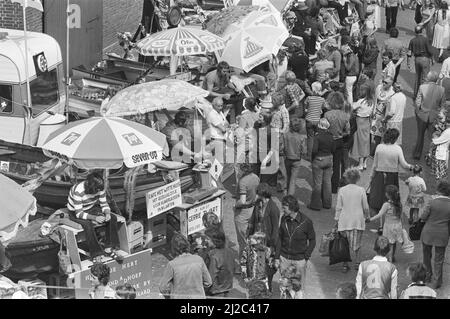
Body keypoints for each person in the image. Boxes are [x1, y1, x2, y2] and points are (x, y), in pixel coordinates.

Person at [67, 171, 121, 262]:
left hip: (90, 208)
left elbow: (104, 204)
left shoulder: (100, 188)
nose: (99, 192)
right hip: (75, 212)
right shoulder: (78, 191)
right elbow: (79, 214)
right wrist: (95, 218)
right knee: (88, 225)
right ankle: (96, 254)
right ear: (91, 187)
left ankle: (109, 248)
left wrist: (107, 213)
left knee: (112, 218)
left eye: (100, 189)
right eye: (97, 190)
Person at [275, 195, 316, 297]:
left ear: (292, 208)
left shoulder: (306, 222)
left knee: (299, 288)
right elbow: (280, 238)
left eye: (284, 207)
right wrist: (277, 257)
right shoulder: (284, 219)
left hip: (299, 260)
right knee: (284, 287)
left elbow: (312, 240)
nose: (282, 209)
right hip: (285, 258)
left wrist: (306, 256)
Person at [369, 128, 412, 217]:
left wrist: (371, 176)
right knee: (392, 196)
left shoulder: (379, 147)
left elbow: (374, 164)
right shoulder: (397, 149)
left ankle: (379, 215)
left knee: (379, 195)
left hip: (379, 174)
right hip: (392, 175)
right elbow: (404, 164)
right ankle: (390, 213)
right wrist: (411, 167)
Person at [334, 167, 370, 272]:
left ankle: (345, 264)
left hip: (344, 220)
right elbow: (365, 207)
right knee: (357, 243)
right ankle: (358, 263)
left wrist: (336, 220)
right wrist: (367, 217)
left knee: (344, 243)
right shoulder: (361, 190)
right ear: (357, 178)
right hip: (358, 220)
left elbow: (339, 207)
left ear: (347, 178)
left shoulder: (342, 190)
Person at [247, 183, 279, 291]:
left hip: (267, 242)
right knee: (257, 265)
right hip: (257, 240)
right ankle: (260, 287)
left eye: (259, 194)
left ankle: (267, 288)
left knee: (268, 267)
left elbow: (275, 229)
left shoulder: (273, 208)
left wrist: (271, 246)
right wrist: (250, 234)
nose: (257, 196)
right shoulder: (258, 204)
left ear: (263, 195)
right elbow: (253, 219)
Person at [159, 233, 212, 299]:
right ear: (187, 245)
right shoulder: (199, 260)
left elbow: (162, 288)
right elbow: (208, 282)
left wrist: (171, 295)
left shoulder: (172, 265)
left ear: (173, 248)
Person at [420, 180, 450, 289]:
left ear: (439, 190)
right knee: (439, 259)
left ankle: (427, 275)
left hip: (428, 232)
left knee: (426, 256)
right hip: (443, 234)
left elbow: (423, 217)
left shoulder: (431, 201)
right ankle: (437, 281)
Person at [413, 71, 446, 160]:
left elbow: (417, 102)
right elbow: (442, 105)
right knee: (433, 137)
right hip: (434, 117)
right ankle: (431, 155)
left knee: (420, 135)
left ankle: (417, 154)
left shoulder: (422, 87)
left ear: (429, 78)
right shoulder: (441, 89)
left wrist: (417, 112)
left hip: (422, 115)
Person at [368, 185, 404, 263]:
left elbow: (379, 214)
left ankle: (390, 261)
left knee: (389, 244)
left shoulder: (387, 205)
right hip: (398, 225)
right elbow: (401, 216)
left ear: (388, 194)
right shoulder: (399, 204)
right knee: (393, 242)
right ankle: (393, 256)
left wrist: (369, 220)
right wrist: (402, 227)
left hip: (389, 226)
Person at [324, 91, 350, 193]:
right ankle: (334, 187)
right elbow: (347, 131)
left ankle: (326, 185)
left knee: (327, 165)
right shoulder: (345, 115)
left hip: (329, 141)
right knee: (336, 165)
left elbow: (324, 129)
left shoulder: (327, 114)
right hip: (339, 141)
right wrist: (340, 134)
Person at [234, 162, 259, 260]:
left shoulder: (243, 181)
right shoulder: (256, 177)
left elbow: (242, 201)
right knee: (250, 236)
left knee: (242, 241)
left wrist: (235, 205)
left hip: (242, 212)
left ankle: (243, 263)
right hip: (252, 209)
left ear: (242, 169)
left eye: (238, 169)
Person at [309, 118, 335, 211]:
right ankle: (327, 203)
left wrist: (312, 159)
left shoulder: (317, 137)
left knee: (317, 183)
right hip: (329, 159)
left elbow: (314, 150)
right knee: (328, 182)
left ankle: (315, 204)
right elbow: (333, 149)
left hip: (319, 159)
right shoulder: (331, 136)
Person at [281, 117, 307, 196]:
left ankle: (285, 193)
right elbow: (304, 151)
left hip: (287, 158)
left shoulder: (285, 135)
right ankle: (290, 196)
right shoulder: (301, 137)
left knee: (287, 177)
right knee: (293, 180)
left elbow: (282, 147)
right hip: (297, 160)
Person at [352, 84, 375, 170]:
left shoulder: (360, 101)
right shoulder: (371, 101)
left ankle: (360, 164)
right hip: (367, 121)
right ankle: (364, 162)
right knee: (366, 142)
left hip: (360, 121)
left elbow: (352, 107)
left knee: (360, 142)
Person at [206, 228, 234, 298]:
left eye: (208, 239)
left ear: (215, 241)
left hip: (216, 290)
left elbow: (211, 276)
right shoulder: (230, 252)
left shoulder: (214, 256)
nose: (206, 241)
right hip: (227, 287)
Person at [371, 76, 395, 157]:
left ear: (391, 84)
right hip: (376, 115)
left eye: (386, 83)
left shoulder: (392, 92)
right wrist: (373, 110)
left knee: (381, 134)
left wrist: (386, 118)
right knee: (373, 132)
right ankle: (373, 149)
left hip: (384, 117)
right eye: (383, 81)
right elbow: (375, 99)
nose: (383, 83)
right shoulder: (379, 87)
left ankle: (377, 151)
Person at [407, 26, 433, 99]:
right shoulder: (425, 40)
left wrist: (408, 62)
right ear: (422, 31)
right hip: (425, 59)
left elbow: (409, 53)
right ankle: (422, 96)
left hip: (417, 59)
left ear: (415, 31)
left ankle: (415, 95)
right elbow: (430, 51)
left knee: (417, 77)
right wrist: (432, 59)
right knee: (425, 78)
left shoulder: (412, 40)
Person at [304, 82, 326, 159]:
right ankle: (317, 154)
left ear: (313, 90)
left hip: (309, 120)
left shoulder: (309, 98)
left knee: (310, 138)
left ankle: (309, 155)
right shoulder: (322, 99)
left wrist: (307, 109)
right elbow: (323, 107)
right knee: (317, 138)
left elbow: (306, 108)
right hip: (317, 120)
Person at [206, 97, 229, 164]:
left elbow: (227, 124)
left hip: (222, 140)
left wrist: (225, 126)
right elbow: (223, 129)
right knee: (219, 164)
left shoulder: (220, 112)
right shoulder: (212, 114)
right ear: (213, 105)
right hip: (217, 140)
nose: (220, 107)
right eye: (218, 106)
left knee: (221, 163)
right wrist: (225, 127)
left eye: (221, 105)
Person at [430, 115, 450, 180]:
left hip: (441, 156)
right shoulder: (446, 130)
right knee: (440, 175)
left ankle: (441, 187)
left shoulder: (447, 132)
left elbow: (436, 141)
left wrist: (435, 137)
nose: (445, 123)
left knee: (441, 176)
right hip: (441, 154)